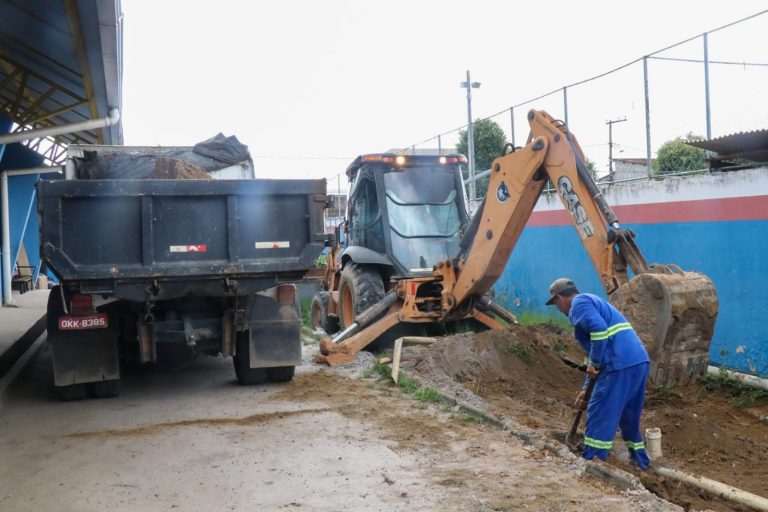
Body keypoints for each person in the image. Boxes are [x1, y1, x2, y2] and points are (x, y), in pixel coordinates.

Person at [545, 277, 651, 470]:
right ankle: (640, 463)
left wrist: (594, 363)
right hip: (638, 361)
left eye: (556, 304)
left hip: (618, 364)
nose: (559, 309)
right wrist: (586, 389)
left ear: (560, 297)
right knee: (629, 418)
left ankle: (592, 465)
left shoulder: (579, 303)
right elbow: (596, 354)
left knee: (600, 413)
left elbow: (599, 333)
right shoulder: (594, 302)